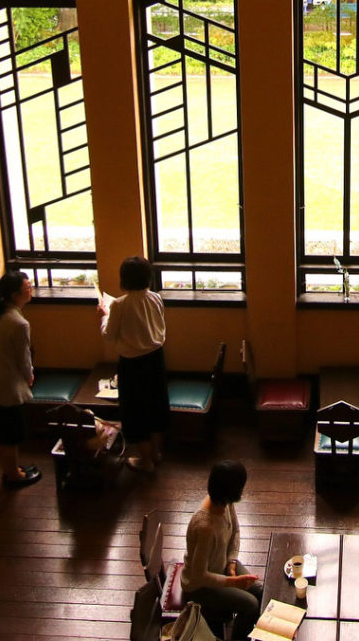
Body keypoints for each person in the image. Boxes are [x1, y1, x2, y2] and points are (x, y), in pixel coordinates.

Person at [97, 255, 168, 472]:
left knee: (136, 411)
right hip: (156, 359)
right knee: (155, 406)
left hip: (132, 365)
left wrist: (103, 316)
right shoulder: (155, 298)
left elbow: (109, 335)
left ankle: (145, 461)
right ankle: (156, 453)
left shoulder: (119, 304)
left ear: (124, 279)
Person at [181, 460, 263, 640]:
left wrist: (231, 563)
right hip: (199, 587)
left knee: (260, 591)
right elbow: (199, 576)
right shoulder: (205, 526)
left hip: (221, 566)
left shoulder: (224, 503)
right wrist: (232, 582)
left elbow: (235, 531)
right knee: (251, 605)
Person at [0, 270, 42, 489]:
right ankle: (13, 475)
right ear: (15, 295)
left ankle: (10, 469)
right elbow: (23, 357)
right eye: (27, 288)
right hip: (6, 384)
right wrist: (29, 375)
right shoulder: (19, 323)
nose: (31, 290)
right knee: (10, 433)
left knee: (1, 431)